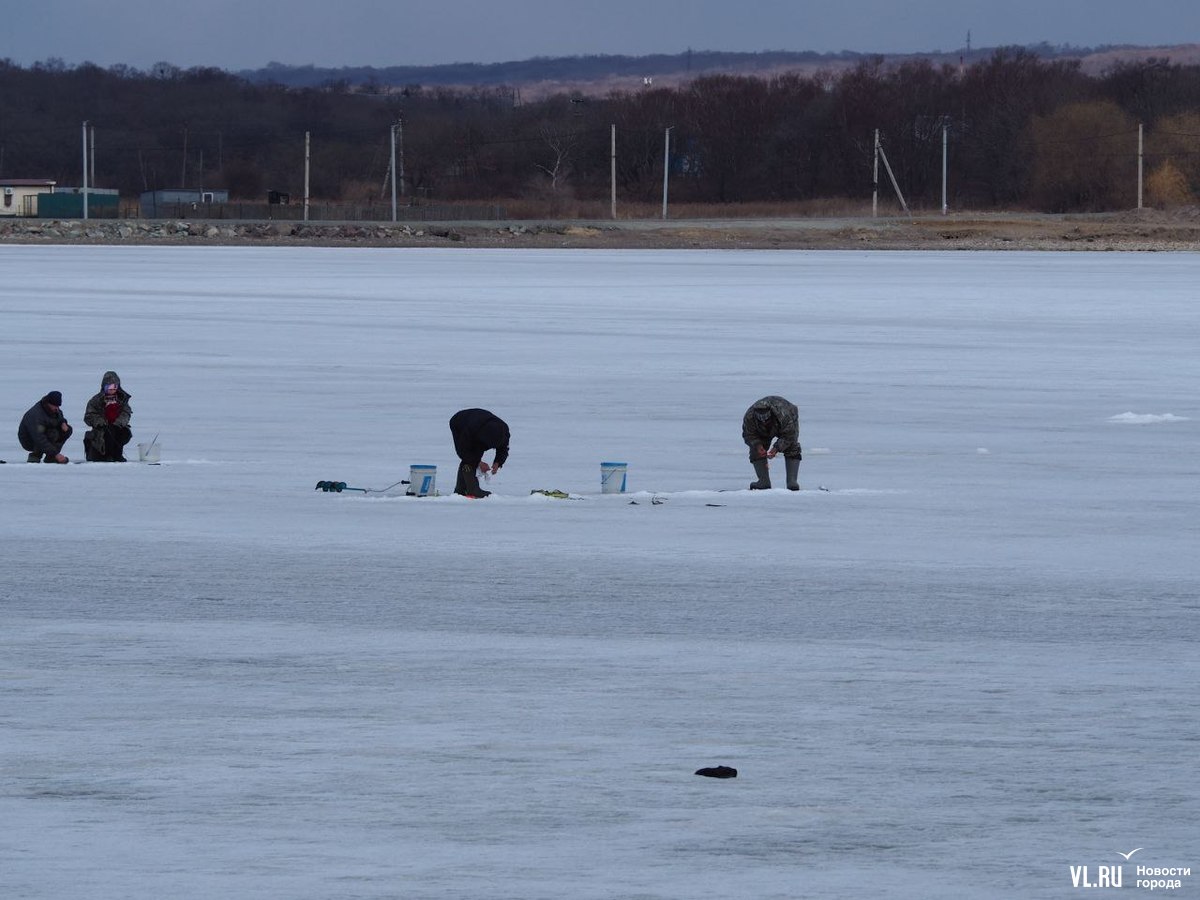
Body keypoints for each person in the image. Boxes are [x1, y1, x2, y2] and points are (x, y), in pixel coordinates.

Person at [742, 395, 802, 491]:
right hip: (762, 431)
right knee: (755, 449)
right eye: (761, 419)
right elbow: (749, 435)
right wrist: (758, 445)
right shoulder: (749, 417)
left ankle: (792, 482)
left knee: (792, 445)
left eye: (766, 418)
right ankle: (763, 481)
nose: (764, 421)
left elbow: (789, 435)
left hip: (787, 419)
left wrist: (776, 448)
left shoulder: (784, 414)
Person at [449, 408, 510, 498]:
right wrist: (479, 462)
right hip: (459, 422)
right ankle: (471, 489)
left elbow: (503, 448)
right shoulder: (470, 431)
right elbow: (462, 451)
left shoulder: (504, 431)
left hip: (478, 422)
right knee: (470, 456)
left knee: (474, 455)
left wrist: (498, 462)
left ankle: (461, 490)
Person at [83, 371, 133, 462]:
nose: (112, 390)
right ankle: (107, 455)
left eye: (114, 387)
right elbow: (88, 416)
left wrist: (119, 422)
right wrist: (99, 421)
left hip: (117, 426)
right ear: (104, 387)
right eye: (109, 387)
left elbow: (126, 412)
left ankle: (117, 455)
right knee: (108, 432)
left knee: (124, 433)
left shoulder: (122, 399)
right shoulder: (96, 400)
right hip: (101, 429)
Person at [18, 390, 73, 463]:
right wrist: (56, 454)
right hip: (29, 440)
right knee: (51, 433)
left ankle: (51, 457)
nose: (57, 408)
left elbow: (60, 419)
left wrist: (64, 424)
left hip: (43, 433)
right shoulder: (36, 414)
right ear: (48, 403)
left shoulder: (55, 409)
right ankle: (35, 456)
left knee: (67, 430)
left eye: (58, 406)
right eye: (55, 406)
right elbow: (39, 437)